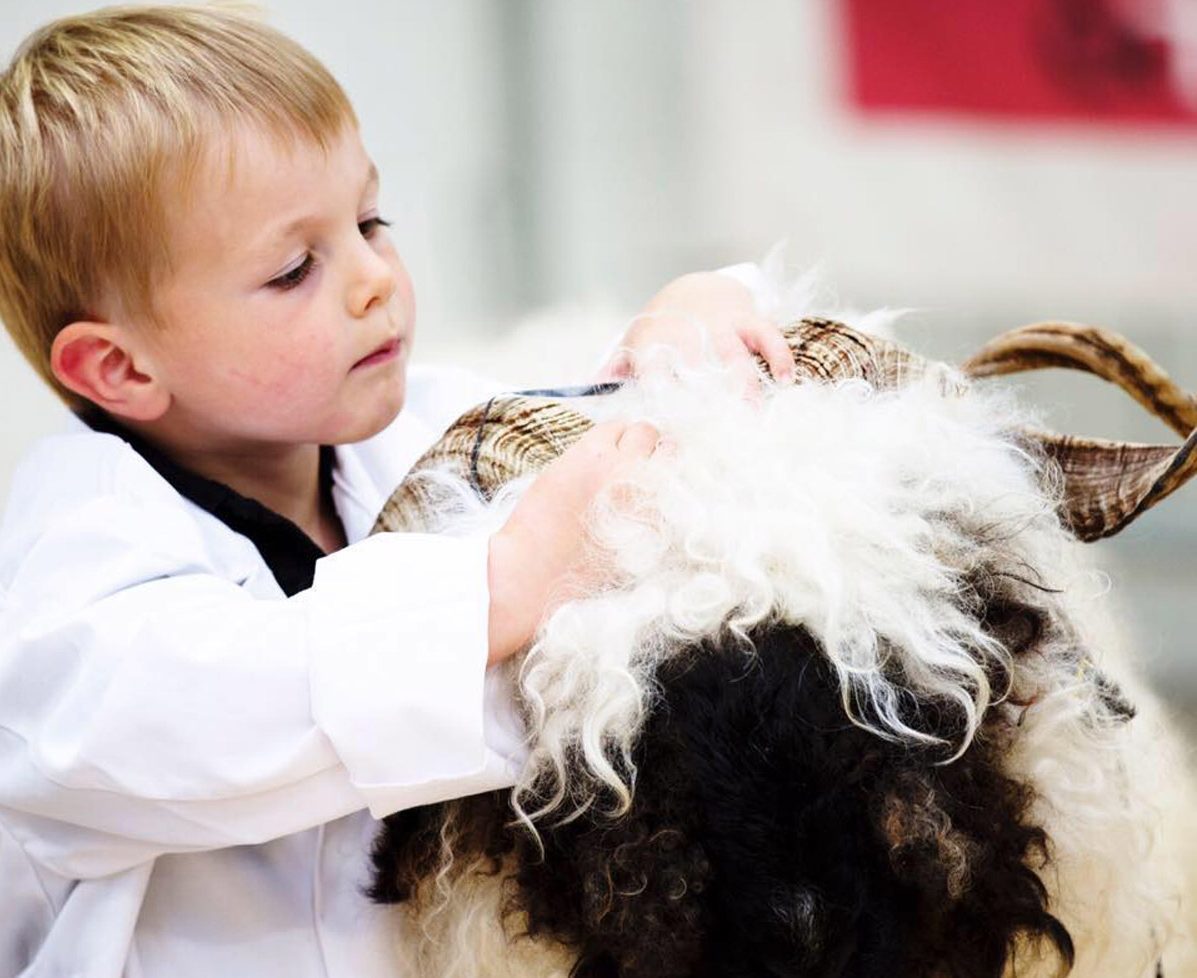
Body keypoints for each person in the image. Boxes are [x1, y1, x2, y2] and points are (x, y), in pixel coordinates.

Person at [0, 6, 793, 977]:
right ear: (120, 371)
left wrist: (686, 324)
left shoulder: (410, 433)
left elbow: (577, 434)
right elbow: (199, 708)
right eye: (295, 267)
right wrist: (498, 589)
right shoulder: (63, 576)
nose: (376, 278)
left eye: (371, 220)